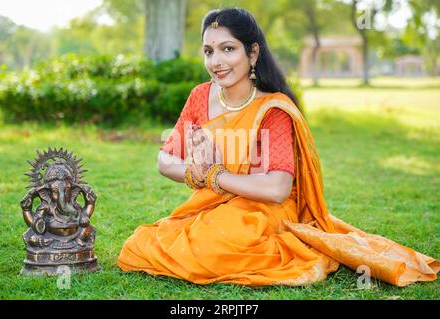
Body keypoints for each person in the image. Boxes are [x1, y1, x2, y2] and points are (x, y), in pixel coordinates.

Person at [117, 8, 439, 286]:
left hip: (265, 212)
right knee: (140, 243)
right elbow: (165, 157)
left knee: (216, 244)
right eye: (208, 51)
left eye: (228, 49)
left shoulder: (272, 108)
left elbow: (276, 188)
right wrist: (194, 172)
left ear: (252, 53)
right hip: (212, 205)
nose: (216, 61)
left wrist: (214, 176)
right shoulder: (201, 96)